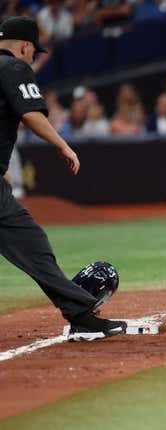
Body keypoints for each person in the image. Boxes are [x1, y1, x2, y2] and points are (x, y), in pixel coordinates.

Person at [0, 17, 126, 339]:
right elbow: (30, 113)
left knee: (31, 243)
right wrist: (62, 144)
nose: (32, 58)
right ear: (25, 46)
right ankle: (81, 315)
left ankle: (79, 312)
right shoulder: (13, 67)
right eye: (33, 53)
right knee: (33, 246)